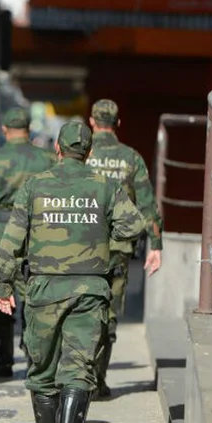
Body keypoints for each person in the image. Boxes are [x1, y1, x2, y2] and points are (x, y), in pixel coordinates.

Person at [0, 121, 146, 423]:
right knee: (79, 366)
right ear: (89, 153)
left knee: (42, 368)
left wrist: (2, 283)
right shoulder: (105, 186)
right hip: (90, 288)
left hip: (44, 288)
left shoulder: (35, 186)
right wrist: (102, 241)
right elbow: (134, 224)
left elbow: (12, 241)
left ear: (57, 150)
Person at [86, 99, 164, 398]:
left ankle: (73, 376)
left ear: (92, 121)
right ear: (118, 124)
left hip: (79, 244)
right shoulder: (131, 158)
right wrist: (155, 245)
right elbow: (146, 204)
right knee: (107, 313)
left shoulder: (81, 152)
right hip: (117, 247)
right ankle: (97, 379)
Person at [0, 107, 55, 378]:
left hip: (1, 239)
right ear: (29, 128)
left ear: (4, 130)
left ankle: (4, 360)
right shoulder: (47, 160)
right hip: (38, 239)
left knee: (0, 302)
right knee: (35, 302)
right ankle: (33, 355)